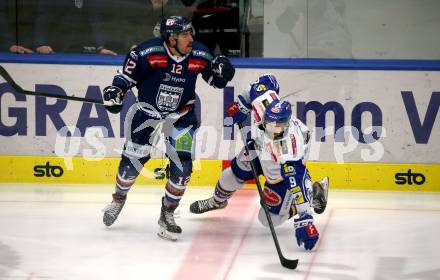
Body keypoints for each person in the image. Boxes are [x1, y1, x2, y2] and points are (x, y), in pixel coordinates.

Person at [101, 15, 235, 241]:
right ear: (171, 39)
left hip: (182, 116)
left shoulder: (200, 54)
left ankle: (167, 214)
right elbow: (125, 79)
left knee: (182, 169)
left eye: (191, 33)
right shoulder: (146, 53)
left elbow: (216, 81)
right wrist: (115, 92)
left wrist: (225, 73)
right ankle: (118, 199)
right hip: (147, 113)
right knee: (131, 164)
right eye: (184, 34)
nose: (190, 38)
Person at [189, 74, 329, 250]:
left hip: (278, 167)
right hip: (259, 149)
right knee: (228, 177)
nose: (271, 129)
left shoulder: (289, 151)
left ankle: (315, 194)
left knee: (268, 218)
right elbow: (266, 81)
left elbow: (297, 182)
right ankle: (217, 201)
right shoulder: (265, 105)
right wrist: (242, 102)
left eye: (277, 127)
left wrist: (305, 218)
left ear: (285, 126)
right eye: (268, 124)